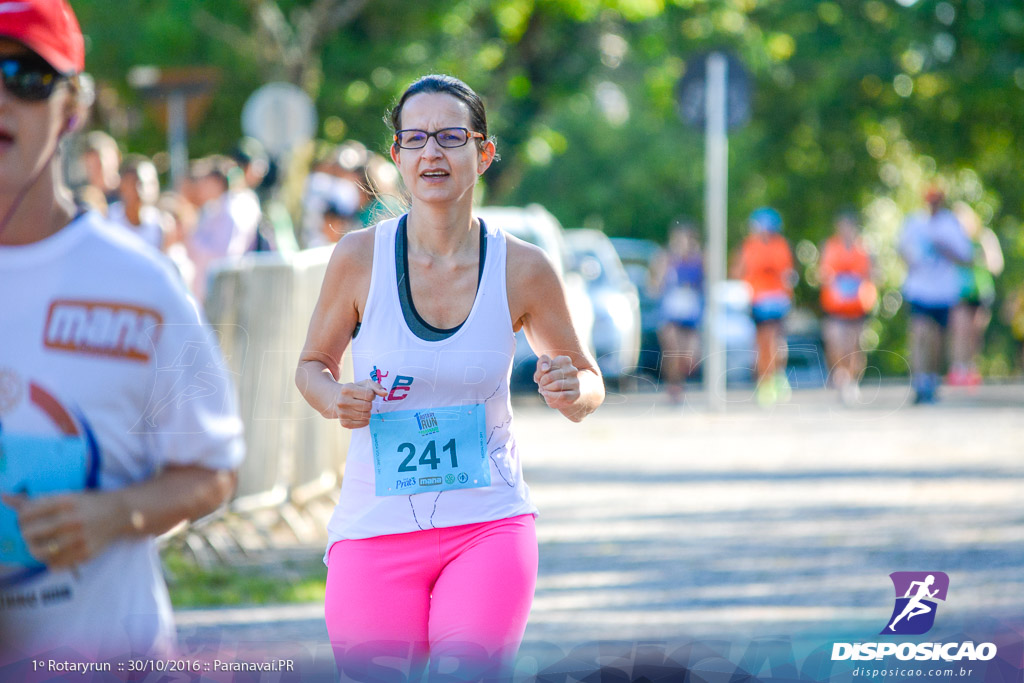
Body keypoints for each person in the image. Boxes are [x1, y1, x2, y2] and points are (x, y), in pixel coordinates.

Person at [296, 74, 604, 681]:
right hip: (374, 529)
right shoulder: (359, 259)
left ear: (483, 153)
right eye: (415, 138)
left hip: (488, 526)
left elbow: (589, 382)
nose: (432, 152)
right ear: (397, 156)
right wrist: (336, 398)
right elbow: (312, 367)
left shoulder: (524, 267)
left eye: (450, 136)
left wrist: (574, 390)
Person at [0, 0, 244, 664]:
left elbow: (212, 467)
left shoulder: (139, 283)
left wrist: (117, 514)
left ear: (71, 106)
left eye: (22, 75)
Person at [898, 187, 973, 404]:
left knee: (937, 339)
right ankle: (919, 382)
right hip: (919, 289)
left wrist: (945, 249)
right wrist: (909, 260)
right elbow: (901, 249)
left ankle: (932, 379)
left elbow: (967, 258)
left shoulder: (951, 224)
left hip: (943, 292)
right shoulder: (914, 222)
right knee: (919, 333)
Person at [732, 207, 795, 406]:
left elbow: (787, 273)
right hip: (758, 300)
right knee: (763, 341)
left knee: (776, 340)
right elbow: (737, 272)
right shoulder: (748, 246)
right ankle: (765, 380)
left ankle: (775, 377)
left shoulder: (780, 246)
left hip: (777, 300)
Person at [819, 211, 877, 405]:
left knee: (855, 346)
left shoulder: (865, 248)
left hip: (857, 308)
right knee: (836, 343)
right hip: (835, 308)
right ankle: (840, 375)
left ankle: (852, 381)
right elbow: (823, 274)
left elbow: (874, 274)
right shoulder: (830, 247)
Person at [948, 201, 1003, 387]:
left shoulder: (984, 237)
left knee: (975, 333)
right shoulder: (955, 240)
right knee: (960, 330)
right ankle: (958, 368)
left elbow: (996, 265)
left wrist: (982, 258)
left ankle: (971, 367)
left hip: (981, 291)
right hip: (960, 291)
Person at [650, 221, 703, 404]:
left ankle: (681, 381)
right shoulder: (665, 258)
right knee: (671, 350)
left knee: (688, 356)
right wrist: (663, 272)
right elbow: (654, 288)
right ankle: (673, 387)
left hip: (691, 316)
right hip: (670, 315)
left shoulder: (699, 260)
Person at [106, 154, 167, 251]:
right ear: (122, 185)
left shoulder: (161, 224)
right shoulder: (108, 220)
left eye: (150, 183)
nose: (143, 189)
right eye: (137, 182)